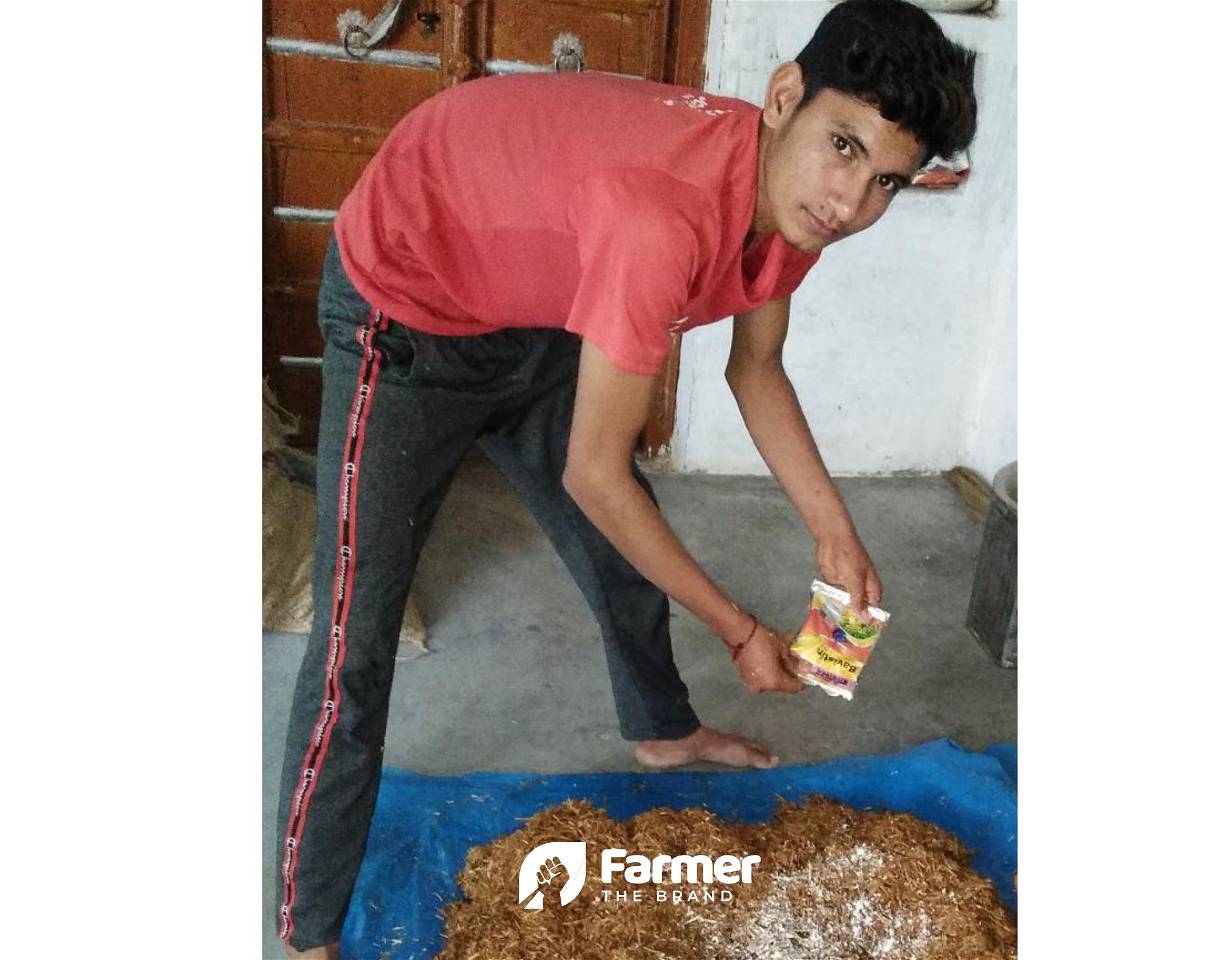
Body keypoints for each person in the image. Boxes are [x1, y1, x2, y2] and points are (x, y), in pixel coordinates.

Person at [274, 0, 977, 954]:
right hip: (412, 300)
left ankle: (663, 730)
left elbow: (756, 367)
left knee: (627, 553)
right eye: (843, 147)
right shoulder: (663, 222)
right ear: (782, 99)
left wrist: (835, 531)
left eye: (887, 180)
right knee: (357, 644)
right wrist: (738, 629)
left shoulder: (793, 211)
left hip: (534, 293)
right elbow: (593, 473)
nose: (852, 203)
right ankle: (308, 928)